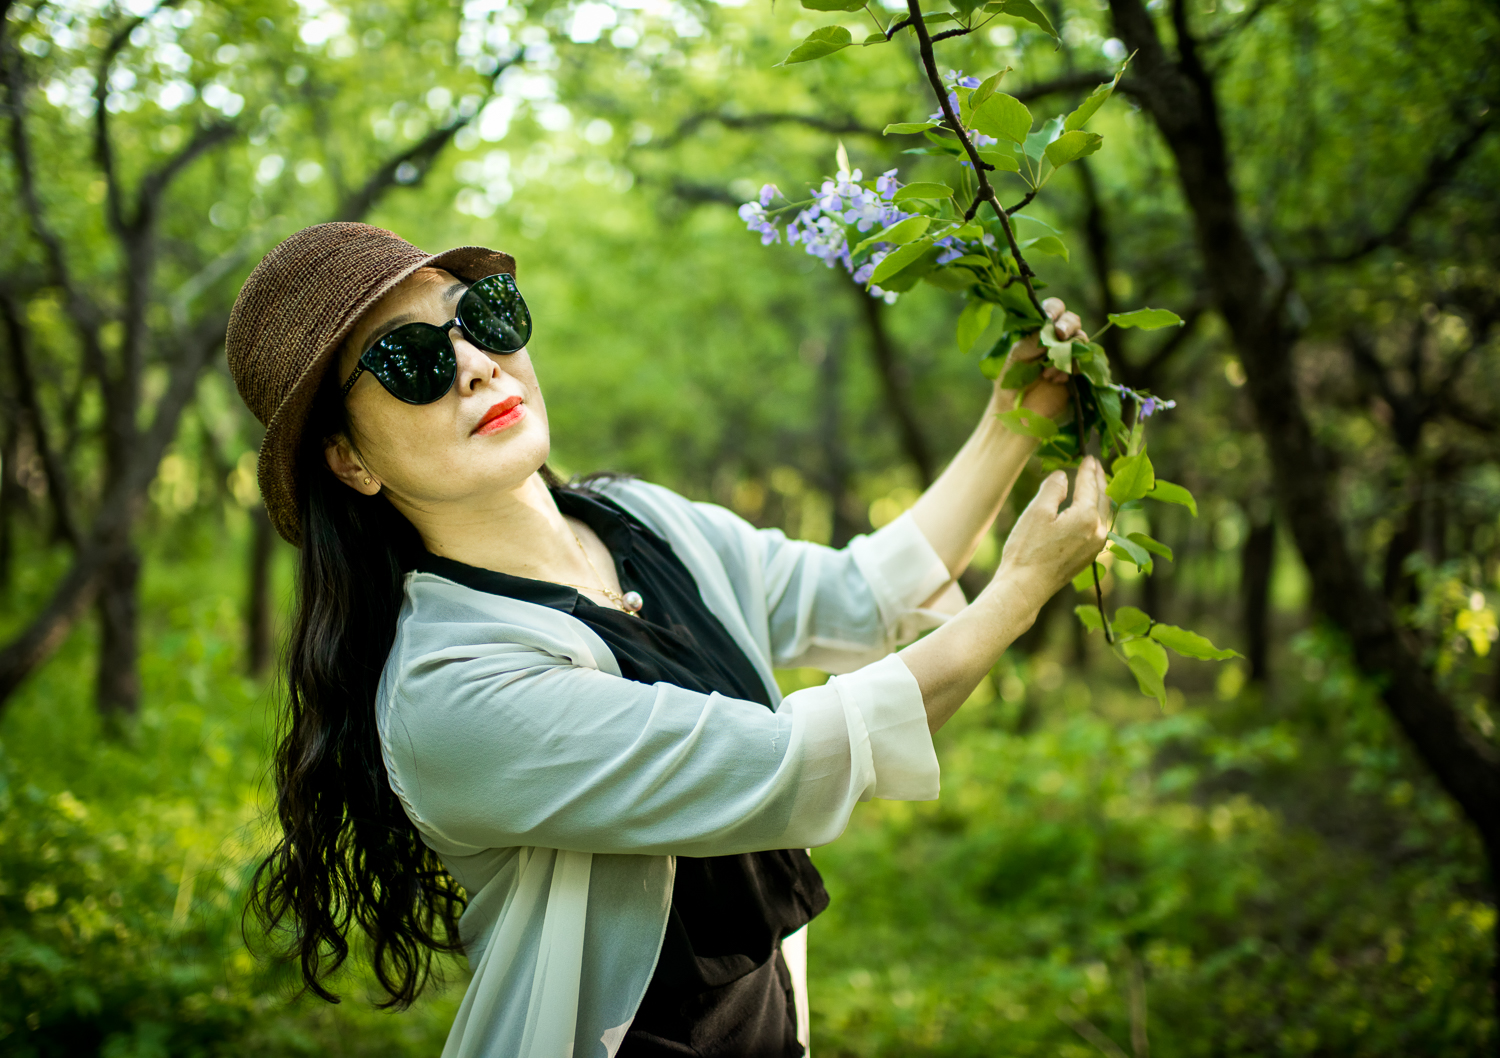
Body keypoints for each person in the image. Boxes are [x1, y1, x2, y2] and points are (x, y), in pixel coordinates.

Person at [227, 222, 1107, 1058]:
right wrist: (1018, 593)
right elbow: (790, 763)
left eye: (483, 318)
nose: (475, 364)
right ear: (350, 460)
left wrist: (1014, 419)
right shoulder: (451, 688)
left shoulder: (639, 517)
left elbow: (859, 594)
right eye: (408, 361)